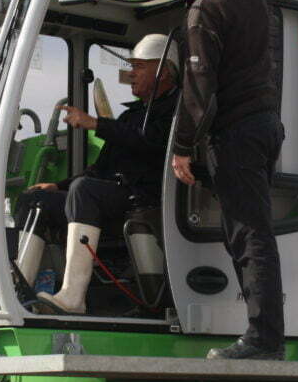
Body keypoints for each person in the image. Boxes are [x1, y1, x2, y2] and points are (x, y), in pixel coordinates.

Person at [171, 0, 286, 360]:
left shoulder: (207, 8)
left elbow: (198, 88)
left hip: (237, 133)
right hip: (263, 126)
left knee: (248, 234)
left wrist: (182, 148)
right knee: (252, 230)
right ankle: (265, 335)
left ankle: (263, 339)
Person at [14, 34, 178, 314]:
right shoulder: (131, 116)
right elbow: (98, 169)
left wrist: (94, 124)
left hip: (147, 195)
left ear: (162, 71)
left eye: (138, 66)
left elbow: (149, 141)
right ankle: (20, 292)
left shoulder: (176, 111)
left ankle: (73, 297)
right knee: (36, 199)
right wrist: (57, 185)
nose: (131, 74)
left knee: (85, 190)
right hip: (113, 194)